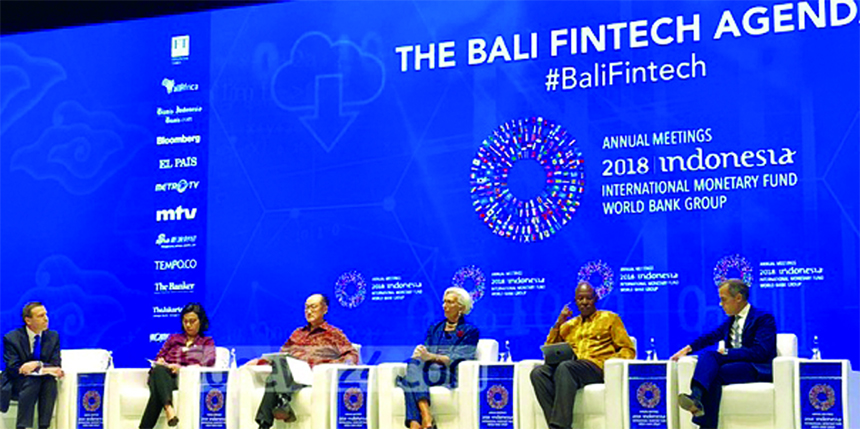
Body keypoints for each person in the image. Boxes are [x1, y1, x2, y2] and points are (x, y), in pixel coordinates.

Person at [670, 278, 776, 429]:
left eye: (724, 299)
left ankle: (702, 414)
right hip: (736, 366)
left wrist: (727, 353)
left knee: (715, 368)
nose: (721, 304)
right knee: (711, 364)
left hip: (756, 367)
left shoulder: (763, 318)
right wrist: (687, 349)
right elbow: (711, 336)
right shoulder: (731, 321)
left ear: (738, 298)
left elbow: (760, 352)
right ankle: (696, 399)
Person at [530, 281, 635, 429]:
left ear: (595, 299)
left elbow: (628, 349)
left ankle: (559, 426)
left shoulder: (610, 319)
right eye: (580, 299)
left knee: (566, 367)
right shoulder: (569, 325)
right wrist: (559, 323)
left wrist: (610, 364)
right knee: (538, 373)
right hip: (570, 369)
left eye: (588, 298)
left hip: (595, 367)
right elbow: (549, 349)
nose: (584, 302)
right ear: (575, 301)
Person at [248, 293, 358, 429]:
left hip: (313, 375)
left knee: (275, 376)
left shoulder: (333, 333)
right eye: (306, 308)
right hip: (290, 373)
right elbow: (282, 354)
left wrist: (332, 366)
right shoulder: (297, 333)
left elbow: (351, 354)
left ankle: (274, 413)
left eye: (313, 307)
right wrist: (260, 361)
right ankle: (280, 407)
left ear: (325, 309)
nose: (309, 311)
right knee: (277, 369)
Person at [398, 287, 480, 429]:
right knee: (412, 364)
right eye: (444, 302)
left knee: (407, 381)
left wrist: (431, 356)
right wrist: (420, 353)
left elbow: (459, 357)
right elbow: (426, 349)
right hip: (427, 371)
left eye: (450, 302)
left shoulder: (470, 331)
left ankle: (417, 421)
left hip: (447, 373)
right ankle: (424, 419)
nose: (445, 306)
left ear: (461, 307)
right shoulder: (435, 328)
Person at [139, 302, 216, 429]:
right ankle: (169, 408)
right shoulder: (173, 338)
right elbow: (159, 357)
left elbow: (209, 360)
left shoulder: (206, 342)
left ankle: (161, 413)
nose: (188, 325)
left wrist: (182, 370)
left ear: (200, 321)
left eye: (192, 321)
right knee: (159, 370)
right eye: (185, 321)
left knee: (157, 392)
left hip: (182, 379)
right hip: (163, 374)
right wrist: (162, 362)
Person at [1, 302, 64, 429]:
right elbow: (13, 368)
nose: (46, 318)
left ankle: (43, 426)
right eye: (41, 316)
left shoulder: (53, 337)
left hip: (42, 381)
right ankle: (23, 426)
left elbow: (55, 365)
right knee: (33, 381)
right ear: (28, 320)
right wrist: (42, 369)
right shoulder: (12, 338)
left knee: (49, 382)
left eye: (46, 314)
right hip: (17, 382)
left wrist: (37, 364)